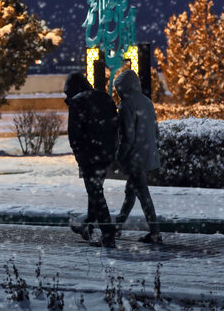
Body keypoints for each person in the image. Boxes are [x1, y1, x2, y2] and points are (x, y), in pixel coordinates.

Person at [64, 72, 118, 248]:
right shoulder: (105, 98)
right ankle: (87, 225)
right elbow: (114, 125)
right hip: (106, 153)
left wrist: (79, 155)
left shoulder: (77, 102)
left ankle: (108, 233)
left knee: (95, 192)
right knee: (95, 190)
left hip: (89, 155)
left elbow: (74, 134)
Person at [114, 69, 162, 244]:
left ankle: (155, 232)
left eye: (118, 88)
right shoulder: (147, 102)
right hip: (147, 153)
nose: (118, 92)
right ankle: (117, 226)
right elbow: (156, 132)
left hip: (135, 158)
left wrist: (120, 156)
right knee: (131, 193)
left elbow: (127, 136)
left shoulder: (126, 105)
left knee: (143, 195)